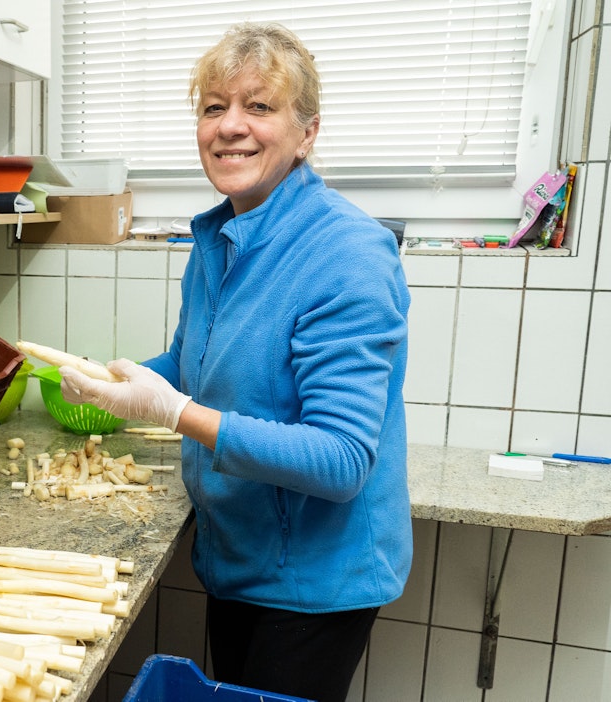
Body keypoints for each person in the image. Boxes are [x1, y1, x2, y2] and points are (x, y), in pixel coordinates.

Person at [59, 22, 411, 702]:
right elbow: (197, 364)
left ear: (306, 132)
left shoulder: (347, 254)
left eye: (260, 106)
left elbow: (341, 459)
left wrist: (177, 414)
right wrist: (114, 381)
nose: (231, 127)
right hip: (240, 555)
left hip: (311, 582)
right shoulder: (221, 234)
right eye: (214, 107)